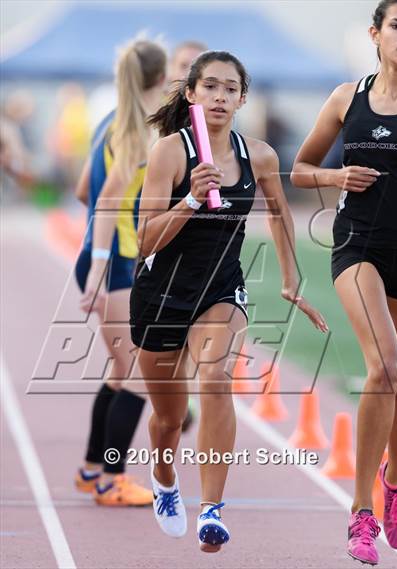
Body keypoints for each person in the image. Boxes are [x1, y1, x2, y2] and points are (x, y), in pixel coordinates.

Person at [130, 50, 328, 552]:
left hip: (220, 290)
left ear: (243, 98)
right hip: (162, 296)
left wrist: (290, 280)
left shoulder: (258, 154)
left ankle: (212, 508)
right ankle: (164, 474)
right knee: (169, 419)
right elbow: (145, 240)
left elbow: (281, 215)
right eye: (210, 87)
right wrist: (192, 199)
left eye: (230, 88)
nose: (220, 96)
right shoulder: (171, 153)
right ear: (192, 94)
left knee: (216, 380)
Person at [291, 1, 397, 565]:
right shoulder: (347, 98)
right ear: (375, 34)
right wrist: (337, 175)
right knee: (384, 366)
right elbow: (298, 169)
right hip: (357, 247)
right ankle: (361, 510)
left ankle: (394, 484)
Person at [73, 38, 167, 506]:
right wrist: (99, 270)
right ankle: (112, 476)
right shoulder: (136, 132)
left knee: (120, 368)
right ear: (161, 76)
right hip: (117, 267)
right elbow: (106, 198)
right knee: (135, 374)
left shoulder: (111, 124)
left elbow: (80, 189)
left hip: (109, 260)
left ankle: (93, 469)